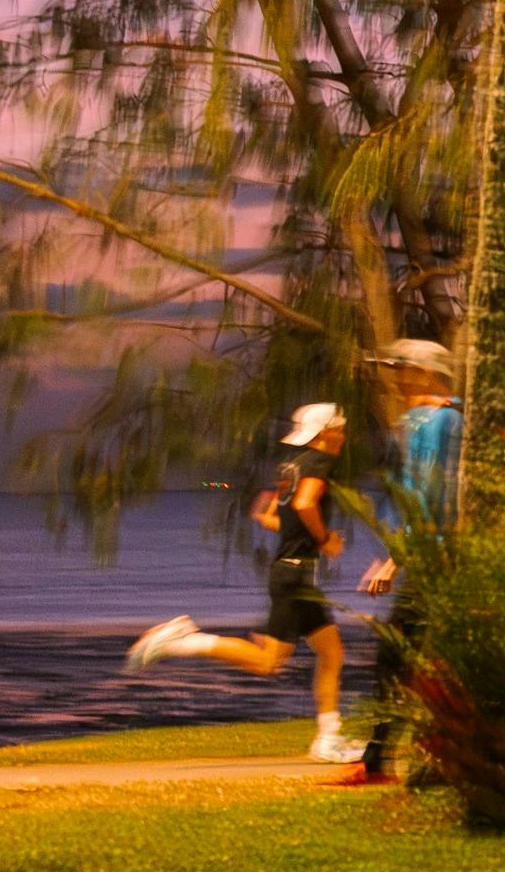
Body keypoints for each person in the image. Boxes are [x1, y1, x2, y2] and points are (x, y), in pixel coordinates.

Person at [125, 399, 364, 759]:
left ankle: (328, 738)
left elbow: (271, 516)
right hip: (296, 573)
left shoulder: (291, 465)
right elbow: (303, 506)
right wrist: (325, 539)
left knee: (331, 652)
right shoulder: (319, 462)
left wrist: (298, 530)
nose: (344, 434)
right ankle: (182, 641)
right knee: (269, 662)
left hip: (291, 572)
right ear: (325, 432)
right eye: (340, 427)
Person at [345, 336, 465, 785]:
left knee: (402, 655)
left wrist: (397, 560)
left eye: (402, 369)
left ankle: (387, 761)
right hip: (432, 552)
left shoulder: (438, 422)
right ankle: (388, 759)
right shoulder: (425, 420)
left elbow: (433, 496)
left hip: (436, 555)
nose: (394, 377)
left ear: (427, 374)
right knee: (412, 656)